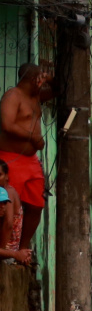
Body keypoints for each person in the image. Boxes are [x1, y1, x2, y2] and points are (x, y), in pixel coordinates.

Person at [0, 64, 52, 247]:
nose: (42, 82)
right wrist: (33, 138)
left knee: (36, 204)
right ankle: (7, 248)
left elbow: (59, 89)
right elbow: (7, 124)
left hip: (31, 161)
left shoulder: (36, 97)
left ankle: (23, 248)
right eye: (40, 78)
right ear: (32, 79)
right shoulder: (13, 95)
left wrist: (49, 78)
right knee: (10, 204)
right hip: (11, 157)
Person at [0, 157, 33, 264]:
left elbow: (8, 223)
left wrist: (3, 251)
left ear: (6, 177)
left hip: (7, 253)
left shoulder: (6, 192)